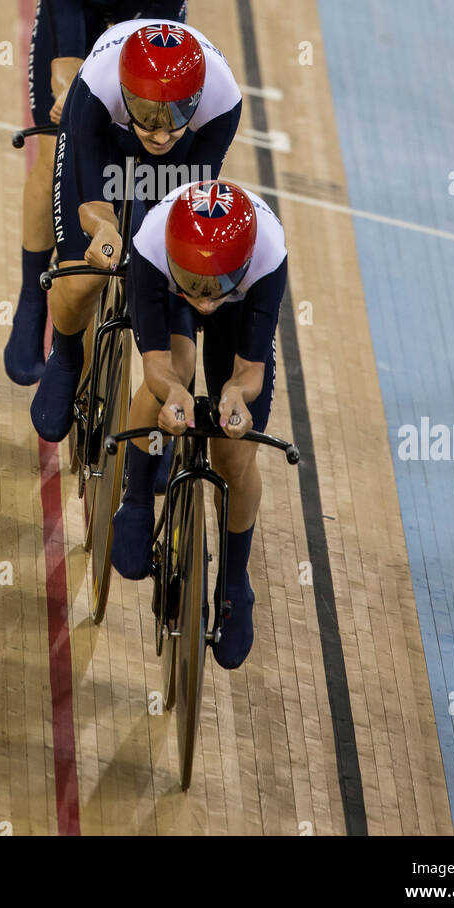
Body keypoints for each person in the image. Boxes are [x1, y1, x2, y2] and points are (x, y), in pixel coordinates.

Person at [5, 0, 195, 385]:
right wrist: (73, 104)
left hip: (144, 26)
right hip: (79, 15)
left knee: (149, 127)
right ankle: (31, 302)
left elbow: (156, 67)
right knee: (55, 151)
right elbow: (66, 60)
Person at [28, 20, 243, 443]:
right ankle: (67, 356)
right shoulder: (97, 87)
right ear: (127, 94)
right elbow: (92, 200)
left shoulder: (222, 103)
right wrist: (104, 230)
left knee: (176, 256)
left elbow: (184, 204)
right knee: (83, 276)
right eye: (148, 119)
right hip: (106, 133)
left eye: (174, 119)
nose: (160, 133)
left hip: (183, 158)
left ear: (197, 101)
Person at [115, 179, 288, 670]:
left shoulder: (268, 255)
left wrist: (235, 396)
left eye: (220, 284)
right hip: (172, 293)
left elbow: (249, 372)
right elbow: (155, 366)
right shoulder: (151, 247)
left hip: (241, 305)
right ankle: (136, 498)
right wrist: (173, 393)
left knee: (233, 455)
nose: (207, 300)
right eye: (201, 288)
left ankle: (234, 579)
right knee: (177, 372)